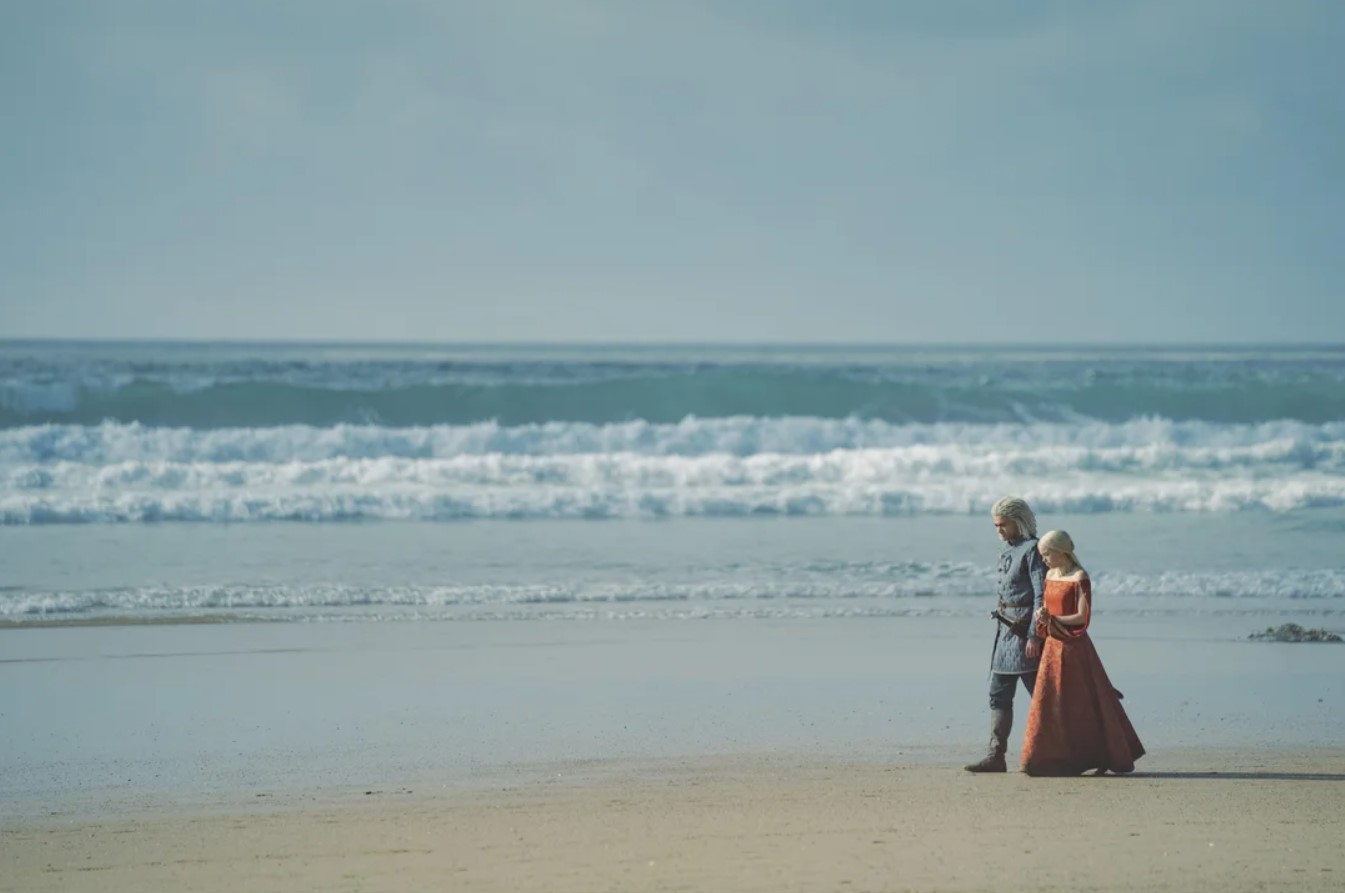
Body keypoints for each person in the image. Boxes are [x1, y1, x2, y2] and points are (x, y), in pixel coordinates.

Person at [1020, 530, 1145, 776]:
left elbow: (1082, 617)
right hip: (1052, 647)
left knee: (1081, 702)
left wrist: (1052, 617)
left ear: (1061, 551)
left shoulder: (1080, 577)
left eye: (1047, 554)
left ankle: (1094, 756)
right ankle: (1047, 759)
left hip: (1074, 647)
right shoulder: (1050, 574)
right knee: (1051, 703)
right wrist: (1042, 616)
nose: (1044, 559)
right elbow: (1046, 605)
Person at [964, 496, 1047, 773]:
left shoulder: (1033, 550)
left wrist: (1035, 635)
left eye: (1003, 525)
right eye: (995, 525)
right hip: (1005, 634)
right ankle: (996, 756)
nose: (998, 530)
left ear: (1018, 522)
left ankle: (1051, 752)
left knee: (1043, 698)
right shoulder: (1008, 550)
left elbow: (1041, 595)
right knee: (998, 695)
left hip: (1025, 636)